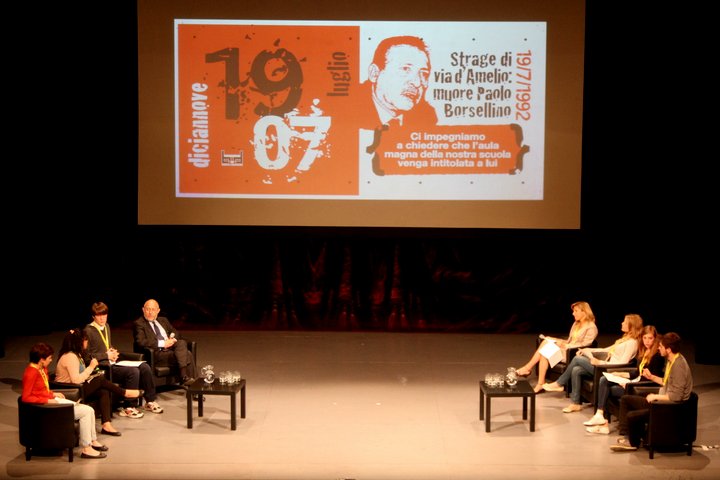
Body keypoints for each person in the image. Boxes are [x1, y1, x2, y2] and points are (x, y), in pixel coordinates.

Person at [21, 342, 108, 459]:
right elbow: (26, 397)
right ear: (41, 359)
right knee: (86, 412)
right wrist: (47, 401)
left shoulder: (42, 368)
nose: (51, 360)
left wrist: (53, 394)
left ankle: (92, 441)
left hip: (51, 401)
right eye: (49, 358)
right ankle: (86, 448)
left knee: (89, 409)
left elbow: (41, 390)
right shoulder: (31, 373)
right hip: (45, 407)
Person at [542, 313, 644, 412]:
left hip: (610, 370)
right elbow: (605, 350)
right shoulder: (625, 340)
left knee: (577, 359)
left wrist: (600, 362)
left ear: (632, 326)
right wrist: (586, 350)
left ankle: (560, 383)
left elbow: (622, 364)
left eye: (625, 322)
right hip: (606, 366)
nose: (622, 323)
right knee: (577, 370)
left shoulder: (632, 343)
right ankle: (575, 403)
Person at [610, 332, 693, 451]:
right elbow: (666, 381)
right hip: (661, 403)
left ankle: (632, 443)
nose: (658, 348)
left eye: (661, 346)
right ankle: (628, 437)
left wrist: (656, 397)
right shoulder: (671, 360)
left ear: (668, 349)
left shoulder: (678, 366)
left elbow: (676, 397)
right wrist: (652, 377)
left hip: (668, 408)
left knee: (632, 415)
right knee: (626, 399)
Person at [55, 329, 144, 436]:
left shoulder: (77, 355)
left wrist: (91, 372)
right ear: (78, 342)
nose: (87, 342)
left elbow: (80, 376)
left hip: (78, 387)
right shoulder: (70, 357)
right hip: (71, 391)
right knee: (100, 380)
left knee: (103, 390)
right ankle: (124, 393)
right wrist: (91, 367)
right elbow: (76, 380)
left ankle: (106, 425)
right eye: (85, 340)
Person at [84, 301, 164, 416]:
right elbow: (87, 356)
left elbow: (106, 345)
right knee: (133, 372)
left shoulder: (106, 326)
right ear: (93, 316)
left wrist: (113, 351)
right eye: (99, 316)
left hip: (112, 362)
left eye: (104, 315)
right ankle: (128, 407)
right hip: (103, 367)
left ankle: (150, 401)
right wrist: (106, 355)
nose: (102, 318)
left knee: (144, 367)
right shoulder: (88, 331)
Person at [584, 325, 665, 434]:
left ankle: (603, 422)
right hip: (634, 383)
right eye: (644, 338)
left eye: (650, 338)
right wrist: (620, 374)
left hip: (639, 388)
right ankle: (600, 416)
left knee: (607, 390)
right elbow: (637, 373)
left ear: (655, 338)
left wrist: (628, 384)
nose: (647, 341)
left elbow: (651, 379)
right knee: (604, 380)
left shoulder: (657, 356)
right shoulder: (644, 351)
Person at [515, 301, 598, 393]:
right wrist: (555, 339)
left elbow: (585, 345)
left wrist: (566, 346)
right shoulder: (576, 324)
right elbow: (569, 340)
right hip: (567, 349)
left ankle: (528, 369)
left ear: (584, 311)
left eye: (576, 311)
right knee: (546, 345)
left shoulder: (591, 327)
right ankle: (540, 383)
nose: (573, 313)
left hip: (574, 354)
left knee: (545, 349)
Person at [359, 35, 437, 132]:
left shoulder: (427, 119)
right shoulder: (348, 110)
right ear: (374, 73)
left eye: (423, 74)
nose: (417, 83)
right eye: (405, 69)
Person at [133, 298, 196, 386]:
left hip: (171, 350)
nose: (150, 312)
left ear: (158, 310)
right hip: (156, 354)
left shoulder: (163, 320)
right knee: (188, 354)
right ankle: (187, 380)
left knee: (181, 343)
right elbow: (141, 341)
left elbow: (176, 332)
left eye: (153, 309)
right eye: (148, 309)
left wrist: (172, 339)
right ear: (143, 310)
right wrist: (163, 343)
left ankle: (185, 378)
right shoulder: (139, 323)